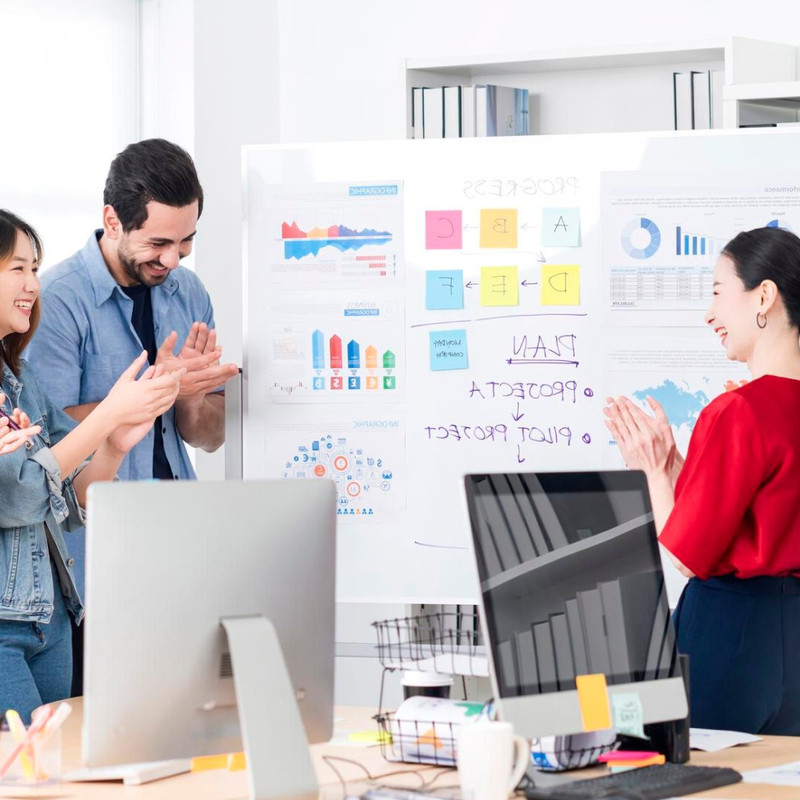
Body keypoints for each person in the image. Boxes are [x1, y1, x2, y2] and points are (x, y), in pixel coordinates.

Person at [26, 139, 238, 692]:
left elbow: (206, 437)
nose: (173, 259)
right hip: (93, 552)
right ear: (112, 221)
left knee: (182, 712)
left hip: (178, 542)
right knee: (99, 720)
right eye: (159, 243)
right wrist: (157, 388)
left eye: (186, 241)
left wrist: (191, 397)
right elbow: (43, 440)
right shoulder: (57, 301)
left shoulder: (189, 292)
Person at [604, 225, 800, 735]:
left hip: (728, 633)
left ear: (764, 296)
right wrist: (675, 466)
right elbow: (759, 516)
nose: (709, 314)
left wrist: (650, 470)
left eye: (717, 292)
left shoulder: (736, 411)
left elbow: (685, 556)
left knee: (689, 779)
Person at [0, 210, 184, 721]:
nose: (34, 285)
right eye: (18, 269)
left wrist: (116, 443)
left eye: (35, 269)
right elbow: (18, 497)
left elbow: (75, 492)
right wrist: (106, 415)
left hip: (52, 621)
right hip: (3, 628)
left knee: (59, 776)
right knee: (21, 777)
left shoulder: (22, 378)